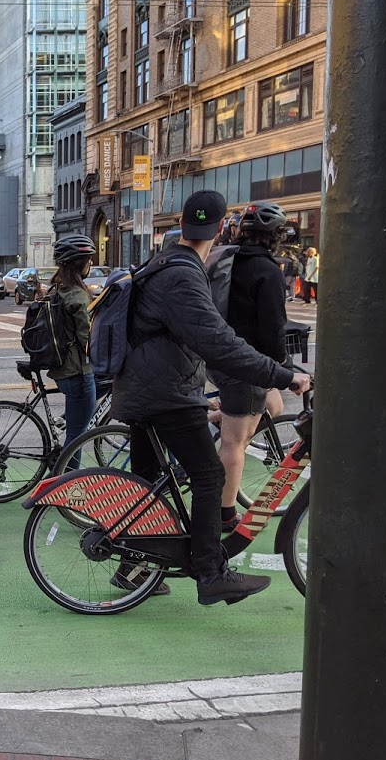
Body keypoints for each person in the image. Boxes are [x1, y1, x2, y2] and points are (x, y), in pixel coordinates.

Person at [112, 190, 311, 606]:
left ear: (182, 223)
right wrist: (283, 375)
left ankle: (132, 566)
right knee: (208, 477)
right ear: (220, 227)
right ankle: (211, 573)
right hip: (165, 393)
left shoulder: (166, 261)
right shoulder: (182, 273)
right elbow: (217, 341)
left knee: (148, 484)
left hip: (146, 387)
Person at [210, 201, 292, 538]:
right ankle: (224, 514)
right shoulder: (268, 271)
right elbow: (273, 327)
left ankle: (214, 416)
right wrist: (280, 364)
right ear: (273, 237)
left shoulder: (228, 259)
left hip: (220, 357)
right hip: (245, 364)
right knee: (234, 444)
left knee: (272, 406)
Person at [44, 237, 99, 467]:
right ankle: (67, 486)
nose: (91, 265)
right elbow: (88, 338)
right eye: (89, 260)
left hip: (62, 369)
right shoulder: (77, 294)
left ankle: (60, 478)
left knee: (75, 430)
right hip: (79, 372)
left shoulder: (57, 289)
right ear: (81, 264)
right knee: (77, 435)